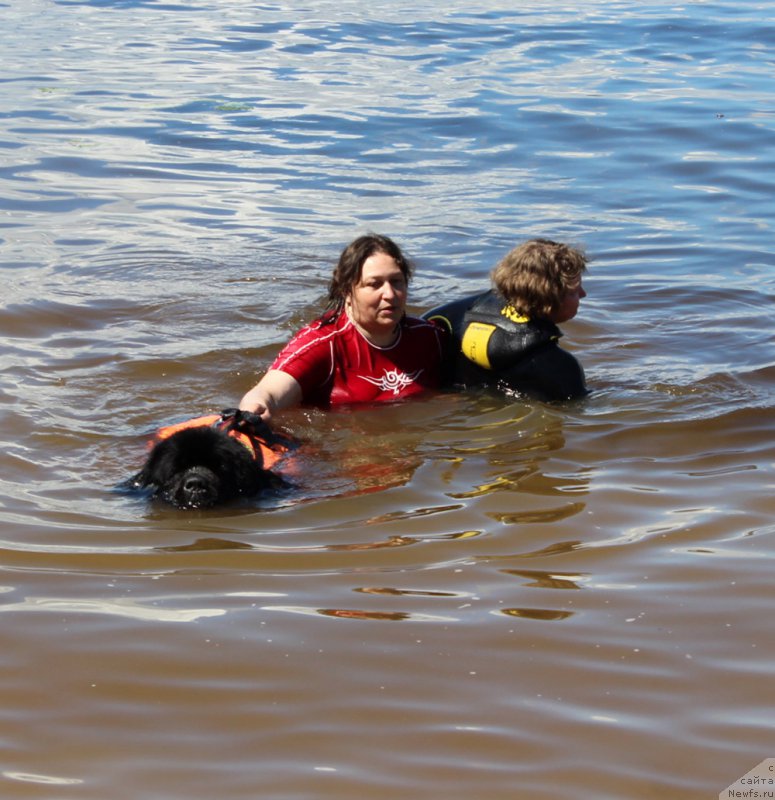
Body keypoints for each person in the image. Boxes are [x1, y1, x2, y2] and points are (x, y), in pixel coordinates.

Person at [239, 234, 448, 420]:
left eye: (396, 281)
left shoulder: (430, 338)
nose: (390, 294)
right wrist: (256, 407)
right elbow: (269, 393)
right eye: (374, 284)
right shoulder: (323, 344)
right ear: (347, 291)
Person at [423, 238, 588, 402]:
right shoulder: (562, 366)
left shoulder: (455, 314)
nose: (583, 294)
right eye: (573, 292)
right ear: (550, 299)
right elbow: (575, 411)